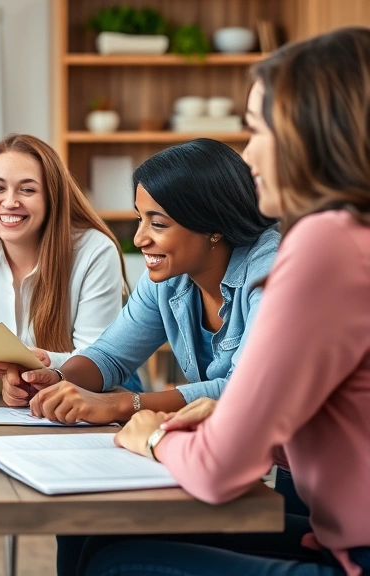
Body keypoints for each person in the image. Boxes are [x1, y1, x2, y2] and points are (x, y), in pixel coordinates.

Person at [85, 27, 370, 576]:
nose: (247, 155)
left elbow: (220, 471)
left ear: (315, 133)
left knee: (118, 563)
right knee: (106, 538)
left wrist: (153, 433)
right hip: (334, 534)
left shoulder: (325, 243)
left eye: (258, 129)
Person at [4, 138, 279, 427]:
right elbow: (110, 356)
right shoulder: (169, 277)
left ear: (214, 226)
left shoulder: (271, 271)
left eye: (158, 224)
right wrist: (56, 380)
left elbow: (241, 391)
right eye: (139, 219)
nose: (139, 239)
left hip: (299, 456)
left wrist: (121, 404)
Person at [0, 133, 127, 385]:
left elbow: (99, 359)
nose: (10, 202)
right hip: (13, 398)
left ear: (51, 197)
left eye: (27, 189)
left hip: (94, 390)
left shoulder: (95, 250)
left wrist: (47, 362)